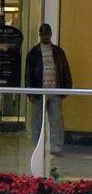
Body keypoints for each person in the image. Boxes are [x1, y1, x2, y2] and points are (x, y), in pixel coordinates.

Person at [26, 24, 73, 155]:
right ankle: (37, 146)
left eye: (47, 34)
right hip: (38, 91)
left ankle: (56, 147)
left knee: (56, 120)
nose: (45, 36)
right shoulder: (33, 53)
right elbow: (29, 73)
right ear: (40, 35)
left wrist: (67, 88)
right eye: (42, 34)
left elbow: (65, 70)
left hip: (55, 90)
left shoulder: (59, 52)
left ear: (51, 34)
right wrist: (31, 92)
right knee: (37, 121)